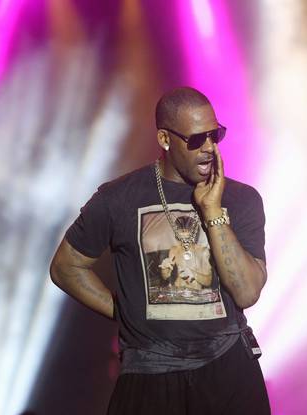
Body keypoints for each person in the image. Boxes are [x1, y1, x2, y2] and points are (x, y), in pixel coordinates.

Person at [49, 86, 270, 414]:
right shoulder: (118, 198)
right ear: (165, 139)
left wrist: (212, 213)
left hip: (227, 368)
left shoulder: (241, 199)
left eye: (215, 135)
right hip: (151, 372)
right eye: (196, 140)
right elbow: (66, 267)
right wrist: (124, 311)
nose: (209, 148)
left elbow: (247, 293)